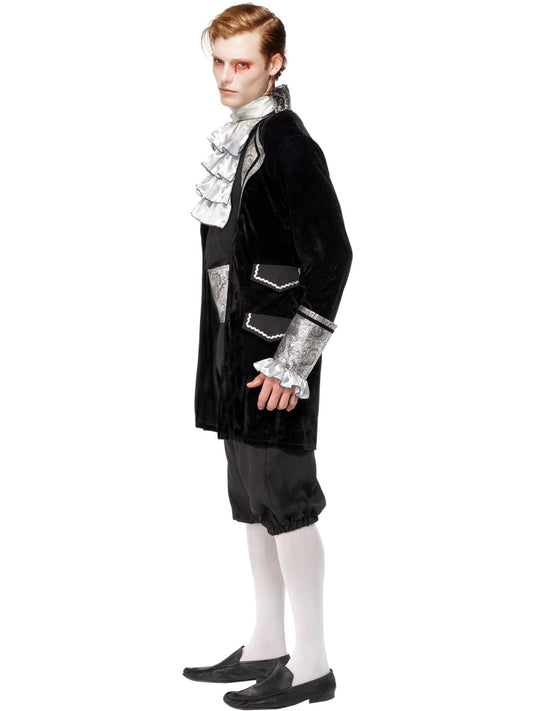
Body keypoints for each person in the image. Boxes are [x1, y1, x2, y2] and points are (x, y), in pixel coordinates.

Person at [184, 4, 352, 708]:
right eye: (218, 62)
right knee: (251, 504)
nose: (226, 76)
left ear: (275, 64)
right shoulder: (244, 135)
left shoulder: (287, 145)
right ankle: (265, 643)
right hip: (234, 357)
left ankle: (311, 665)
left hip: (272, 363)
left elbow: (332, 256)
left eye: (242, 63)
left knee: (287, 504)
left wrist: (293, 363)